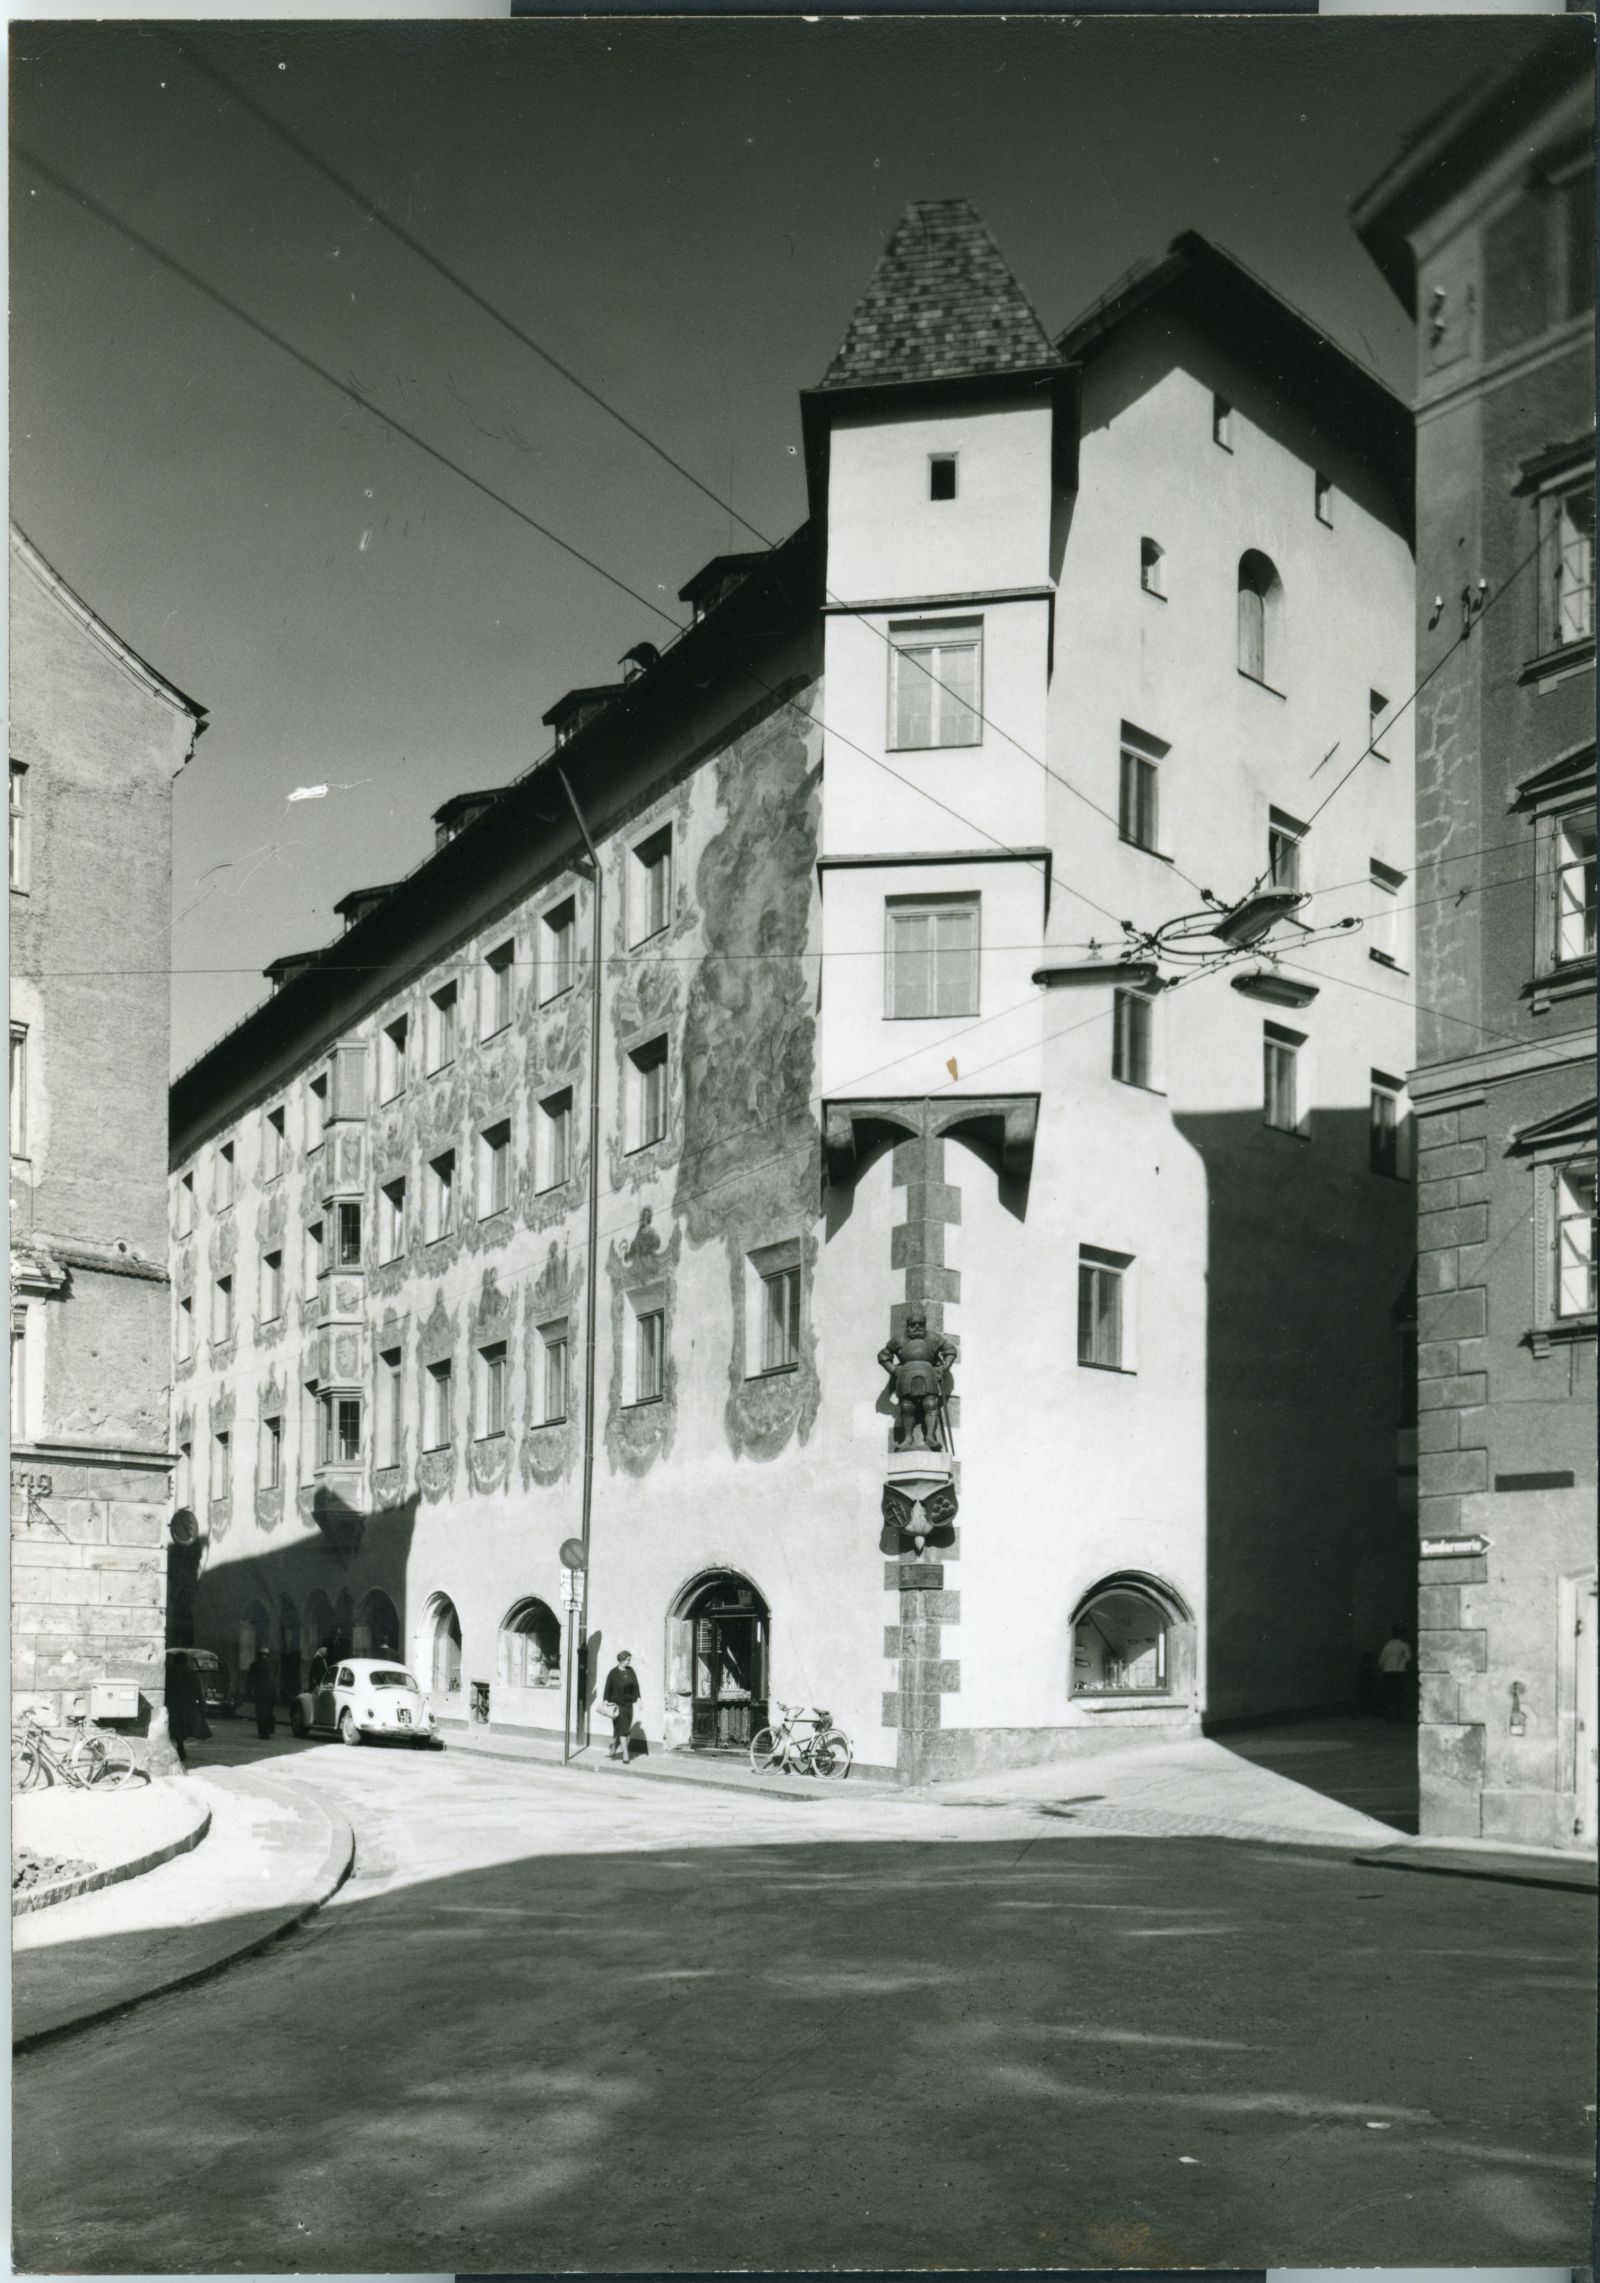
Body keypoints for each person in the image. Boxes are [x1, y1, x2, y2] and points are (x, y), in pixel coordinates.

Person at [164, 1649, 207, 1768]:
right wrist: (202, 1703)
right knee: (183, 1725)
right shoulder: (191, 1672)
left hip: (174, 1703)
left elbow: (167, 1688)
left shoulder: (171, 1672)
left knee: (176, 1726)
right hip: (188, 1703)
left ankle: (179, 1745)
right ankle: (180, 1746)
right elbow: (198, 1688)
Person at [602, 1650, 641, 1762]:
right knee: (623, 1731)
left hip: (629, 1705)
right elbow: (607, 1687)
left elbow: (636, 1685)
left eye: (630, 1659)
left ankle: (613, 1745)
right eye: (628, 1659)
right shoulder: (613, 1673)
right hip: (617, 1705)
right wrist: (605, 1700)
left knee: (622, 1729)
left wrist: (639, 1698)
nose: (629, 1661)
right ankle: (625, 1755)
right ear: (621, 1660)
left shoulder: (631, 1671)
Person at [1376, 1623, 1413, 1722]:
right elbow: (1409, 1659)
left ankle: (1389, 1717)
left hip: (1387, 1674)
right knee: (1399, 1696)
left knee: (1389, 1695)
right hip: (1399, 1674)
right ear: (1402, 1634)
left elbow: (1381, 1661)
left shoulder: (1387, 1645)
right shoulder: (1403, 1645)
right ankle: (1398, 1716)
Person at [247, 1644, 279, 1741]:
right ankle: (270, 1729)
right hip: (271, 1692)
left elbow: (250, 1679)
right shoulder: (272, 1664)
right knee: (269, 1710)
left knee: (261, 1712)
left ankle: (264, 1732)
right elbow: (275, 1677)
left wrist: (248, 1691)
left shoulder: (255, 1664)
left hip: (260, 1691)